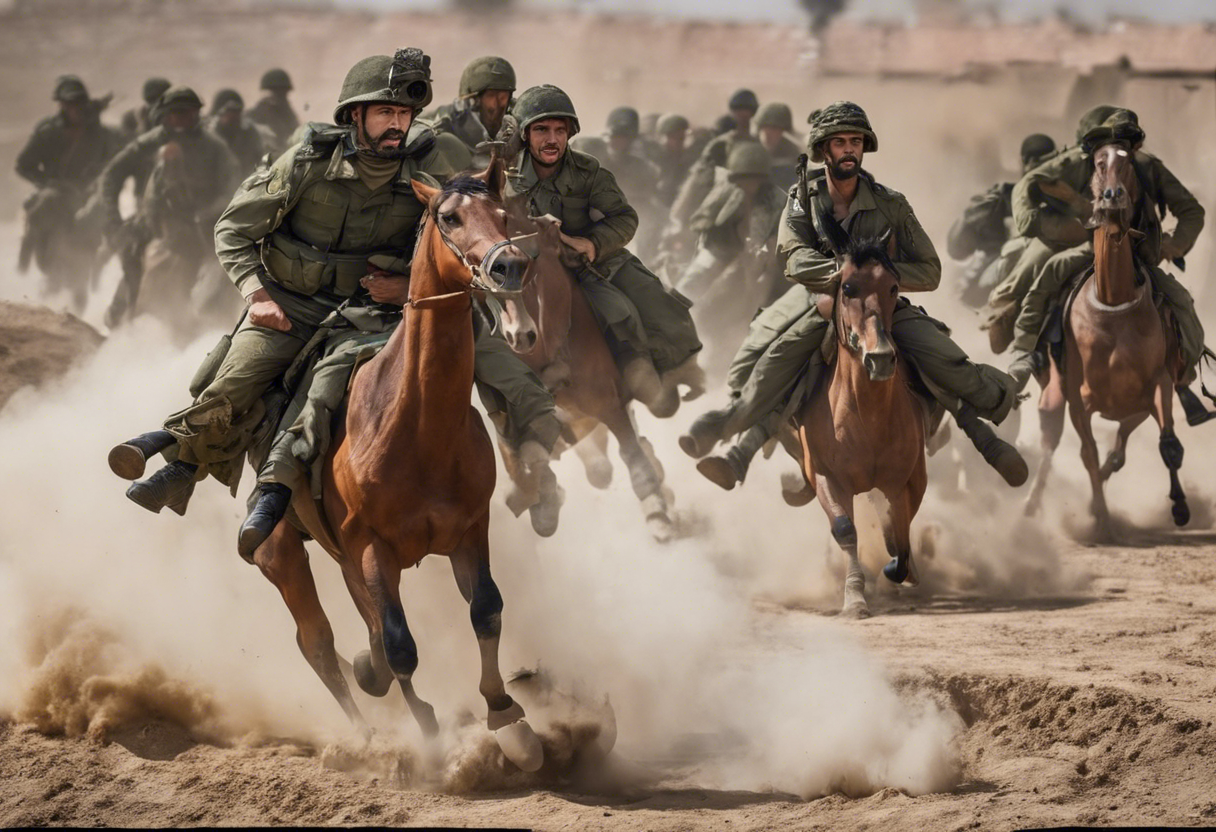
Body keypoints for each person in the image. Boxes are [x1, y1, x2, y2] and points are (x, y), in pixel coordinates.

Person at [108, 50, 562, 558]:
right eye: (385, 113)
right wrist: (257, 297)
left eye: (404, 115)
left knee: (503, 369)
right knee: (235, 380)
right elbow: (233, 229)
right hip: (291, 305)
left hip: (378, 310)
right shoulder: (307, 161)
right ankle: (184, 466)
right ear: (355, 116)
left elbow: (472, 207)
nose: (397, 125)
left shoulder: (426, 158)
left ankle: (536, 466)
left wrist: (516, 216)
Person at [682, 101, 1025, 490]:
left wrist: (876, 277)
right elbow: (792, 258)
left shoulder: (890, 203)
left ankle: (991, 414)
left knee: (940, 353)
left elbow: (930, 269)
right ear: (823, 150)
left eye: (856, 142)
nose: (849, 149)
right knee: (770, 357)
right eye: (840, 142)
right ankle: (733, 429)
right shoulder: (801, 198)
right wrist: (840, 275)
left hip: (879, 301)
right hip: (818, 300)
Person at [504, 84, 705, 417]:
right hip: (525, 270)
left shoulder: (588, 171)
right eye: (541, 129)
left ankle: (665, 369)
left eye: (560, 130)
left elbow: (625, 218)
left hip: (592, 264)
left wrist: (593, 243)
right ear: (525, 134)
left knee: (646, 301)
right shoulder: (507, 178)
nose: (552, 139)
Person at [1004, 109, 1212, 423]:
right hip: (1090, 248)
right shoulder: (1076, 163)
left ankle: (1183, 377)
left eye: (1124, 141)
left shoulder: (1148, 168)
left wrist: (1173, 245)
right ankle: (1023, 357)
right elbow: (1027, 187)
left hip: (1139, 254)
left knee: (1181, 301)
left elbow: (1191, 210)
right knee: (1047, 277)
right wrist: (1047, 226)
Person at [90, 86, 242, 330]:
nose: (181, 120)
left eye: (187, 114)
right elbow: (111, 174)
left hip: (199, 227)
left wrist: (209, 211)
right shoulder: (152, 142)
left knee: (212, 280)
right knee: (131, 262)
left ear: (196, 115)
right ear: (164, 117)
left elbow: (234, 185)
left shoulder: (213, 147)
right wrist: (112, 216)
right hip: (154, 221)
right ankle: (120, 320)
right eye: (175, 114)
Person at [16, 74, 124, 307]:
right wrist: (49, 182)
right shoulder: (48, 132)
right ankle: (30, 279)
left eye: (79, 104)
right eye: (70, 105)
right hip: (56, 203)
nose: (75, 110)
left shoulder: (99, 132)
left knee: (82, 267)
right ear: (62, 106)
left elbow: (115, 161)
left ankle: (75, 321)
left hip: (86, 201)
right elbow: (23, 165)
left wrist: (98, 181)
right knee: (52, 259)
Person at [947, 132, 1056, 313]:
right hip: (1004, 268)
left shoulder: (1064, 194)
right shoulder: (1002, 197)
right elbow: (957, 248)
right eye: (1038, 164)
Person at [428, 55, 518, 171]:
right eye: (491, 96)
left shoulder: (515, 123)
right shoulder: (445, 122)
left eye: (502, 97)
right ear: (474, 100)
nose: (497, 104)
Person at [206, 88, 273, 175]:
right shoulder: (207, 134)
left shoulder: (250, 133)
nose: (234, 116)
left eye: (237, 111)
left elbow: (261, 158)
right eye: (230, 111)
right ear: (219, 113)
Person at [753, 102, 802, 192]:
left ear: (783, 131)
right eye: (765, 127)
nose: (768, 133)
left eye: (774, 128)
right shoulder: (750, 150)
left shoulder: (793, 153)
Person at [247, 67, 300, 151]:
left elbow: (295, 132)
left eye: (283, 92)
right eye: (277, 92)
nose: (281, 96)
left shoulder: (287, 113)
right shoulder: (256, 114)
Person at [120, 76, 171, 141]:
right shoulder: (130, 118)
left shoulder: (173, 116)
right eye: (152, 100)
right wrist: (141, 125)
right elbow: (132, 146)